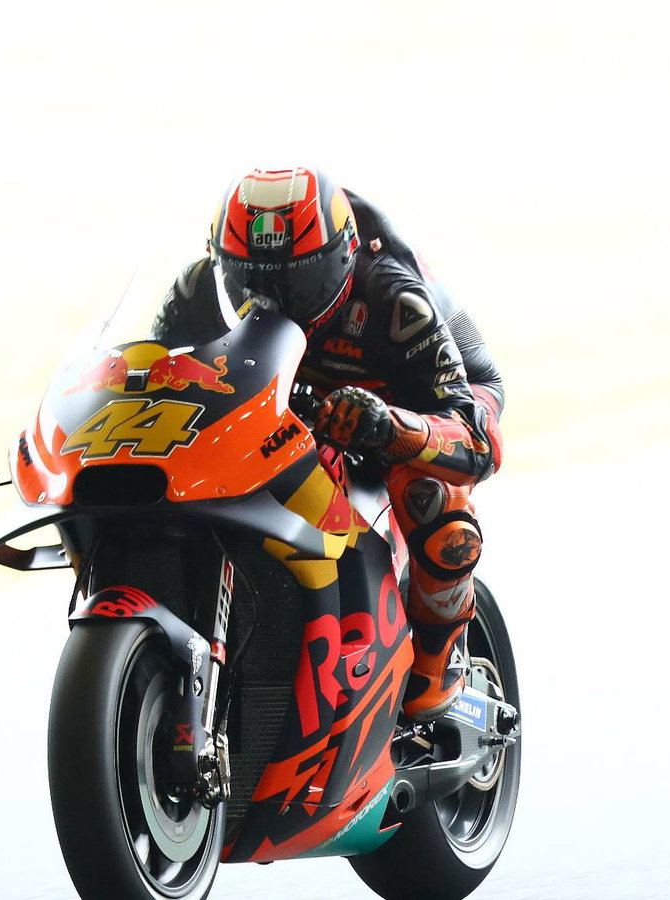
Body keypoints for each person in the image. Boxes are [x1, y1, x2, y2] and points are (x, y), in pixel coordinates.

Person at [159, 166, 504, 722]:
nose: (271, 301)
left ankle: (435, 672)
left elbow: (477, 441)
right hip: (287, 404)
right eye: (248, 279)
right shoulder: (198, 289)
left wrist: (389, 427)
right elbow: (156, 373)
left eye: (297, 282)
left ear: (343, 256)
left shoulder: (392, 297)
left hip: (419, 400)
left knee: (437, 509)